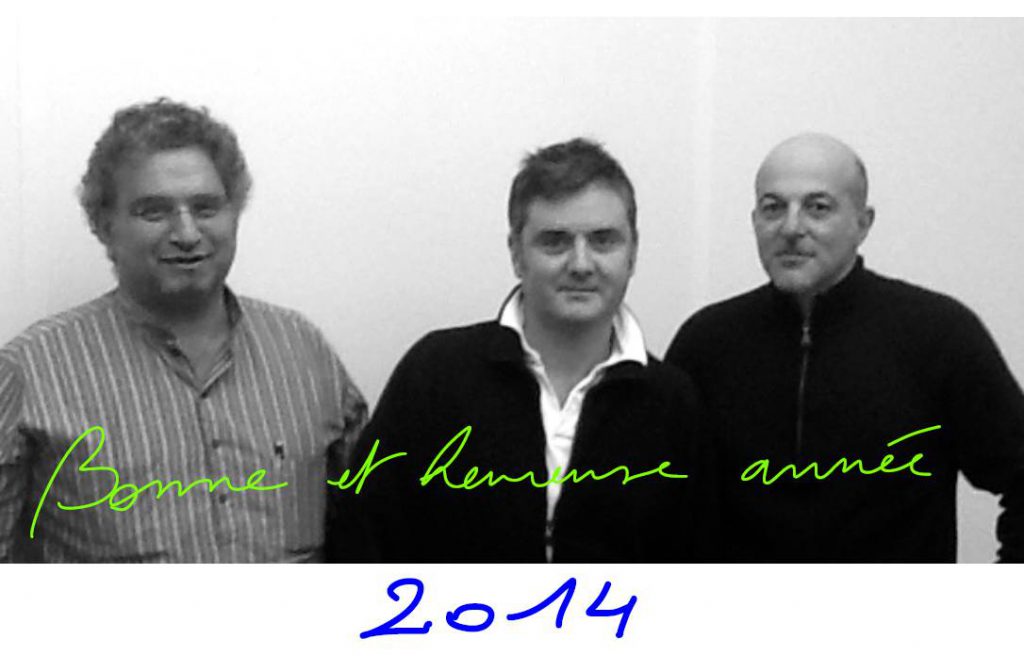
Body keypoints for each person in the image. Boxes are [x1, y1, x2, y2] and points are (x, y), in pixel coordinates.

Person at [0, 98, 366, 562]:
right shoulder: (31, 372)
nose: (187, 233)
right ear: (104, 225)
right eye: (154, 212)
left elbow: (368, 534)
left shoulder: (305, 353)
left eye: (206, 207)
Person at [330, 138, 710, 563]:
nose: (581, 264)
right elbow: (362, 537)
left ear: (633, 254)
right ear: (516, 254)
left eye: (603, 241)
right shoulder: (434, 375)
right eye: (555, 241)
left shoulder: (672, 402)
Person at [665, 132, 1024, 562]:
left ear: (862, 223)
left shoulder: (940, 336)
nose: (791, 228)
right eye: (773, 207)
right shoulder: (706, 343)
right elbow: (660, 503)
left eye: (818, 207)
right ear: (754, 220)